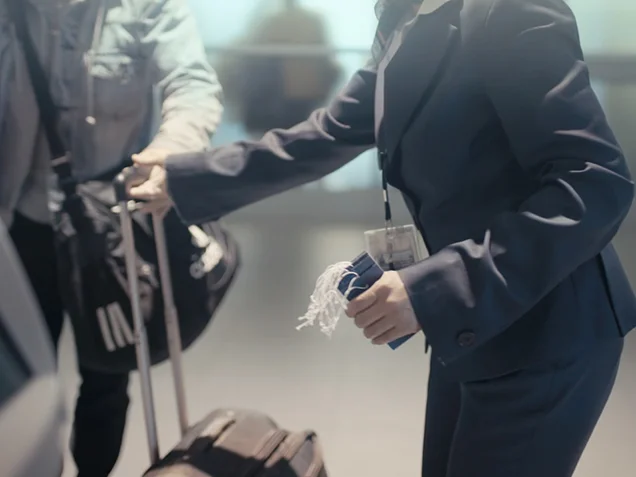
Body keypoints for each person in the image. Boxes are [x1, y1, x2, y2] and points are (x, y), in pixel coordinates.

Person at [130, 0, 636, 475]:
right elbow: (327, 133)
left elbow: (595, 181)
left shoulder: (508, 11)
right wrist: (184, 177)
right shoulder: (408, 19)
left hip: (547, 326)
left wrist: (434, 288)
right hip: (472, 325)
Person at [0, 0, 222, 475]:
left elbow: (193, 85)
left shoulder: (147, 7)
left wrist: (170, 152)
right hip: (20, 225)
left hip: (105, 231)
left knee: (106, 373)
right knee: (17, 376)